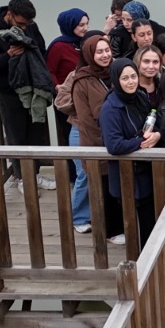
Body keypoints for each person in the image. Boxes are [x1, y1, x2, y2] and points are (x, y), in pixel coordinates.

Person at [0, 0, 53, 191]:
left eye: (27, 24)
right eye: (21, 24)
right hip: (10, 94)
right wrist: (9, 54)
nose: (25, 27)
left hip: (34, 89)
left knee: (36, 133)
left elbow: (42, 49)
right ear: (9, 14)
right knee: (16, 136)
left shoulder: (31, 26)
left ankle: (35, 175)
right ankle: (22, 178)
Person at [99, 58, 162, 247]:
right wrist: (142, 141)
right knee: (134, 227)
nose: (131, 82)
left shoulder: (140, 97)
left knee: (150, 224)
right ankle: (138, 261)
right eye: (125, 78)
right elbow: (114, 145)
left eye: (133, 76)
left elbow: (152, 122)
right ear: (116, 80)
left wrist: (157, 135)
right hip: (127, 176)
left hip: (147, 173)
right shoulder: (110, 109)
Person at [64, 34, 114, 234]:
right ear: (89, 54)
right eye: (99, 52)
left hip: (109, 133)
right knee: (85, 174)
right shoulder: (81, 78)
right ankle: (79, 217)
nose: (105, 55)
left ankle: (104, 216)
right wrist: (102, 139)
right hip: (84, 132)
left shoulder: (115, 71)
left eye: (107, 50)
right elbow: (85, 118)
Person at [46, 9, 88, 86]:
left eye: (87, 23)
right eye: (81, 25)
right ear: (70, 25)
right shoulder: (58, 46)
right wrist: (57, 87)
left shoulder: (87, 42)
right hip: (66, 90)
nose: (86, 28)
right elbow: (49, 71)